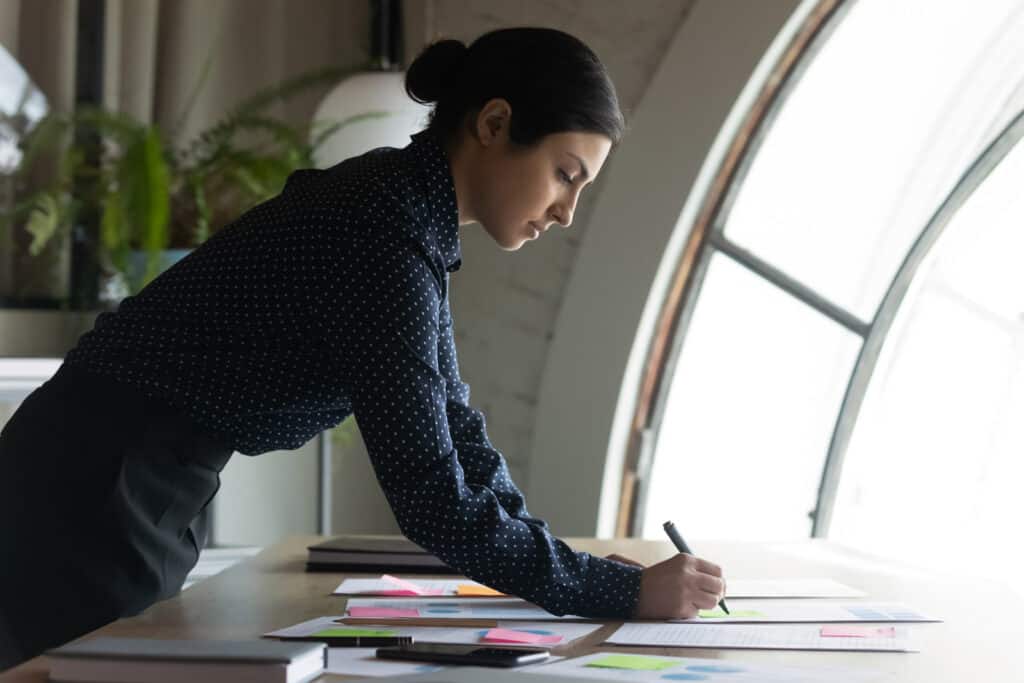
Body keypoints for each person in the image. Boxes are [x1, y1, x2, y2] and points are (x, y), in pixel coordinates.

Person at [0, 27, 726, 670]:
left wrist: (593, 574)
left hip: (124, 469)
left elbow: (459, 436)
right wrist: (618, 588)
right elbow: (433, 496)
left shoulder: (406, 219)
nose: (567, 212)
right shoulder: (382, 233)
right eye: (566, 174)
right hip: (95, 482)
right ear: (495, 123)